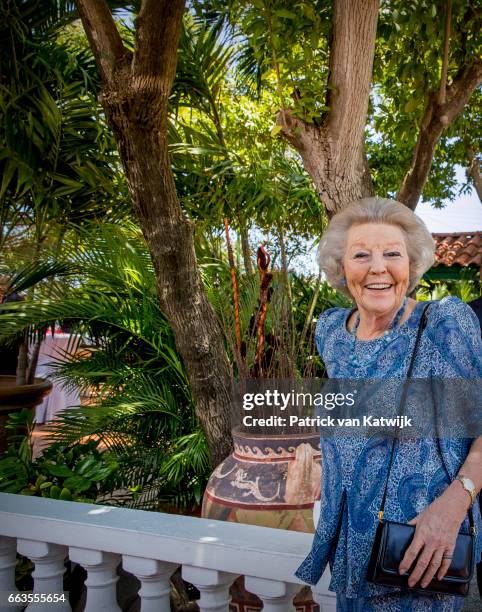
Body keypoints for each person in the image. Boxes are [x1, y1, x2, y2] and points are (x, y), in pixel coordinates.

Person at [295, 198, 482, 611]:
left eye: (392, 254)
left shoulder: (444, 325)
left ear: (411, 266)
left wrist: (455, 505)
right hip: (349, 551)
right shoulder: (331, 332)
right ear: (342, 269)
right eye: (362, 254)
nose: (378, 267)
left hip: (419, 548)